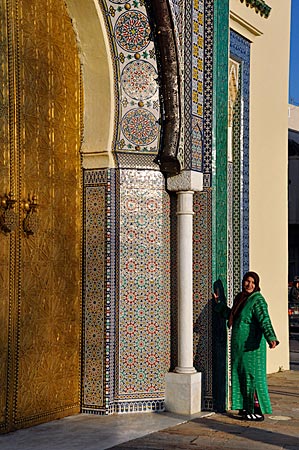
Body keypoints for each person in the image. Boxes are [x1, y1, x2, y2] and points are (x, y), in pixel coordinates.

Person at [213, 271, 279, 422]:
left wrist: (271, 337)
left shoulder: (257, 300)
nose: (249, 285)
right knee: (241, 375)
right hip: (239, 347)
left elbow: (264, 319)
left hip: (252, 347)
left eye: (253, 283)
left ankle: (256, 410)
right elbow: (233, 316)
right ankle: (245, 407)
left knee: (251, 377)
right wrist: (219, 304)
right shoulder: (241, 298)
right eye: (247, 281)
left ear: (257, 285)